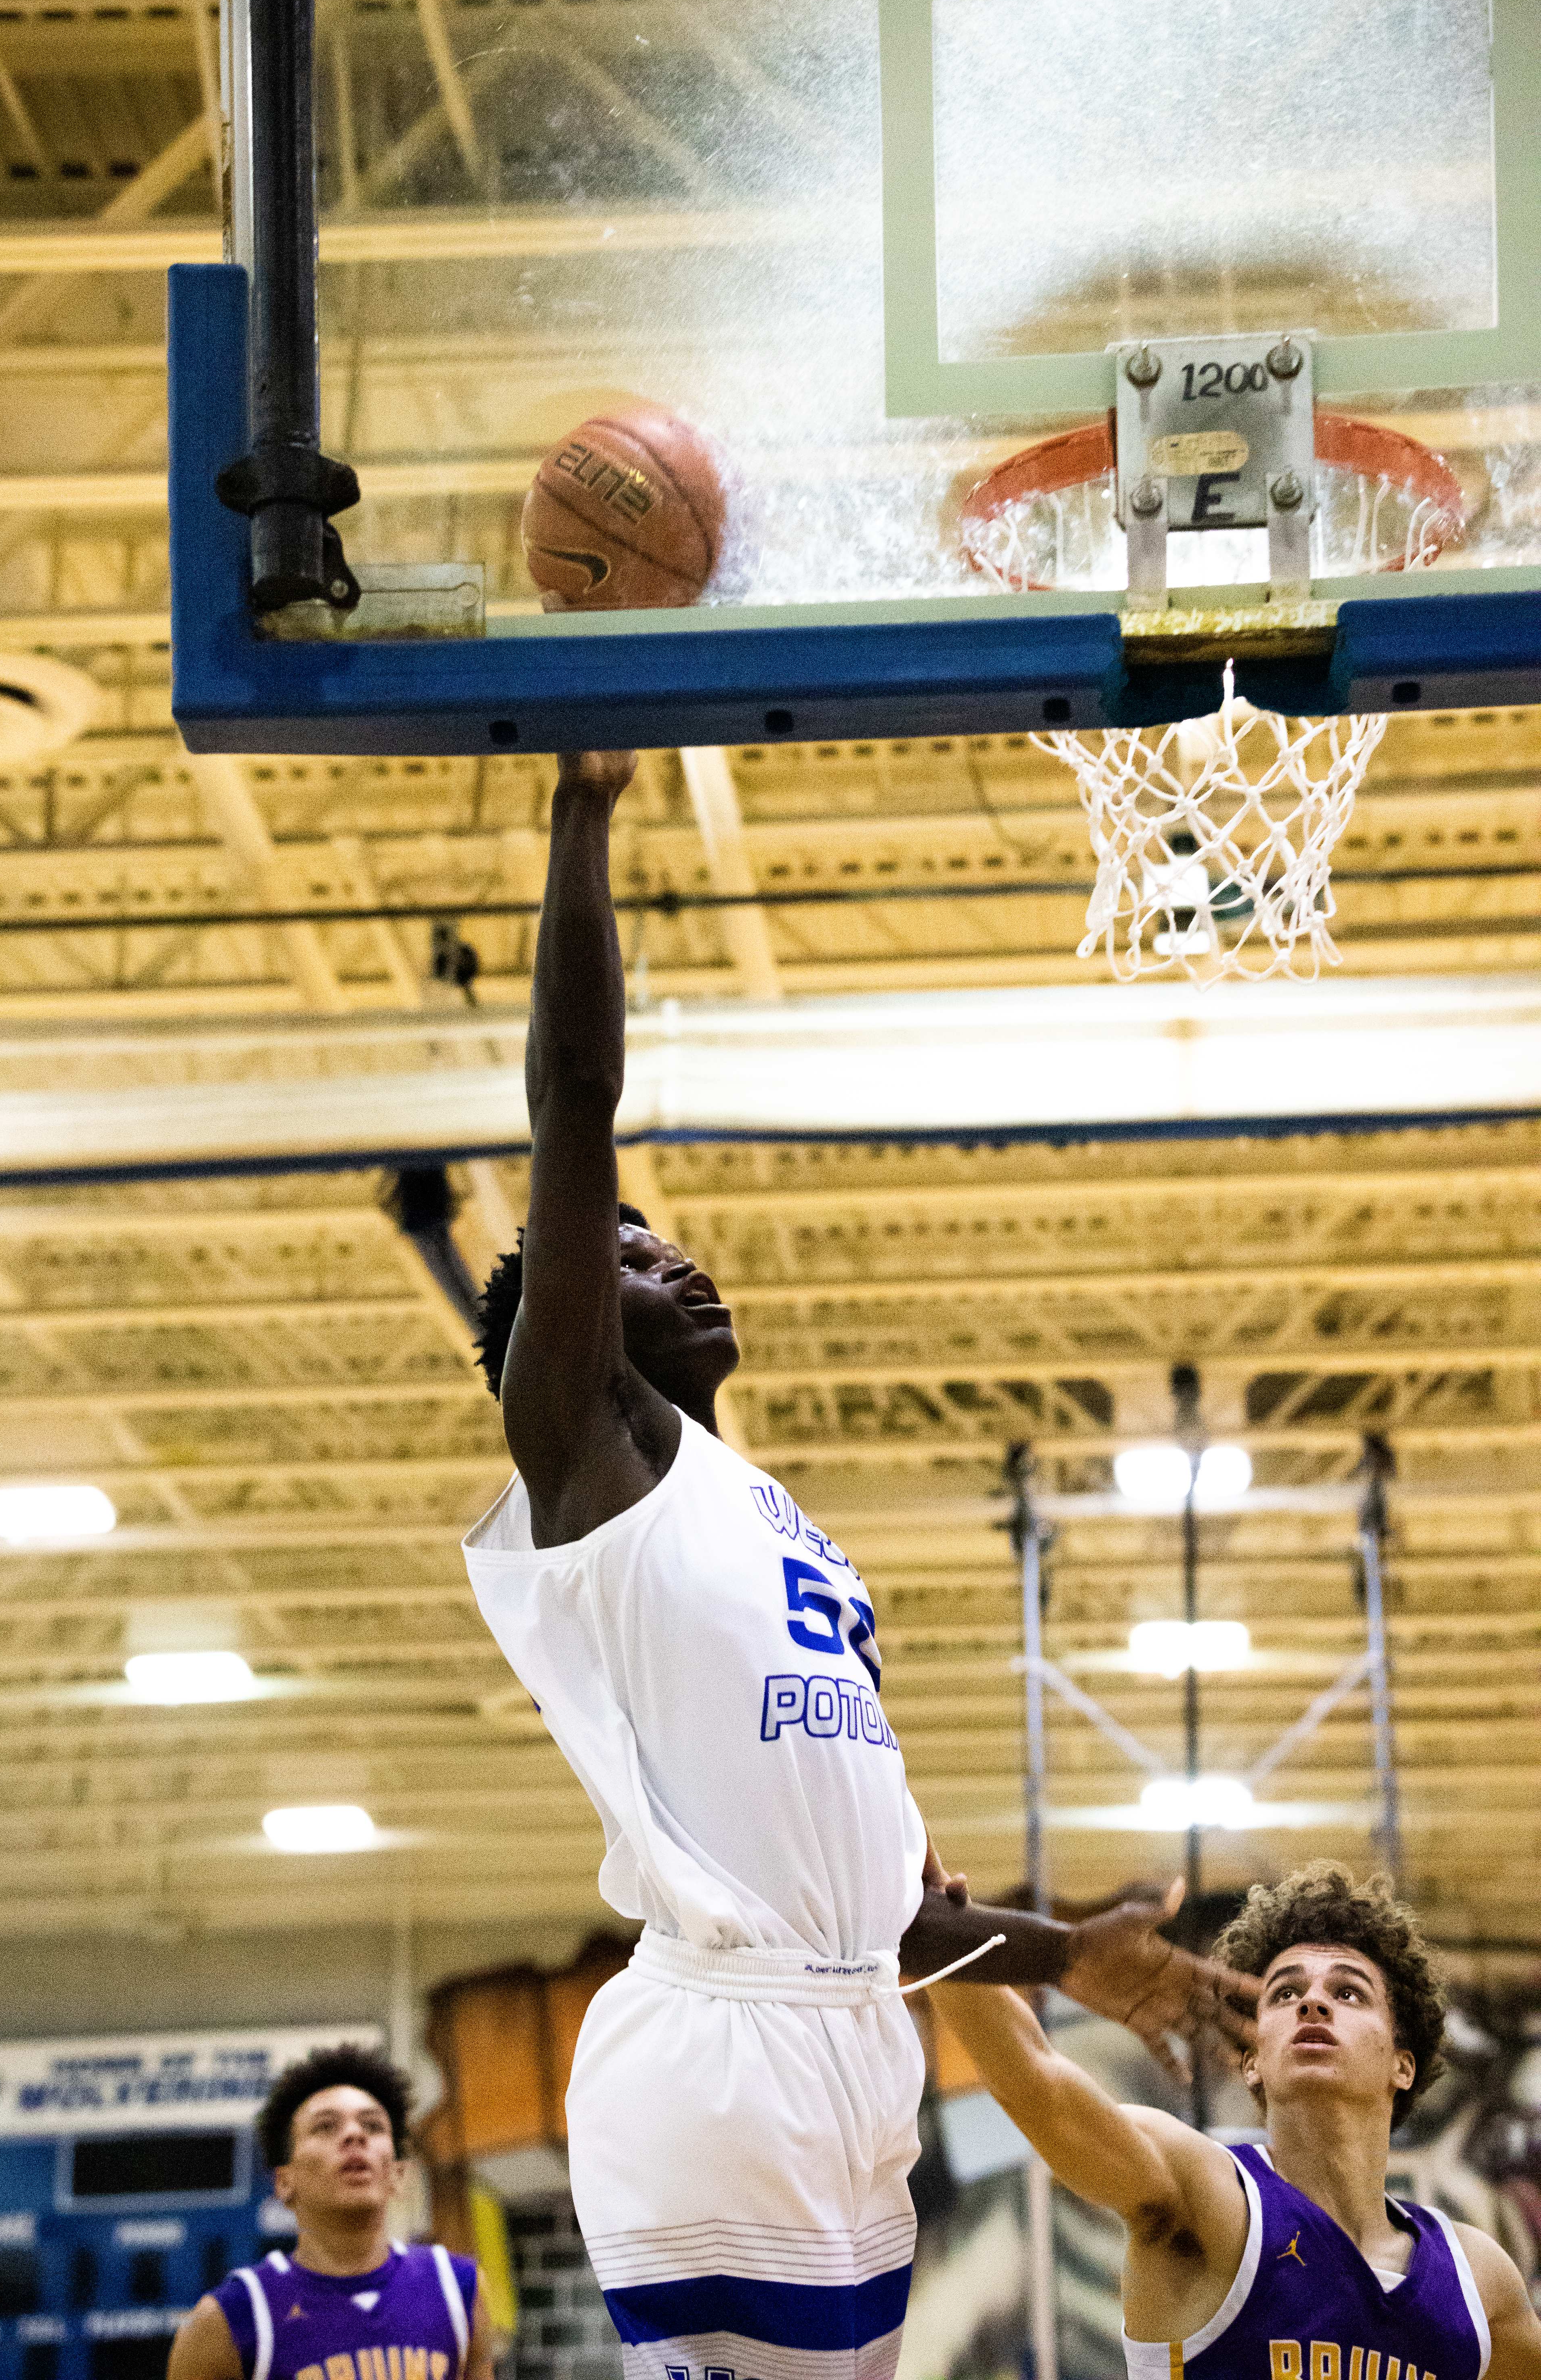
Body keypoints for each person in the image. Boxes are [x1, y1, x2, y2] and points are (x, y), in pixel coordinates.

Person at [463, 745, 1258, 2380]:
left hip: (849, 2047)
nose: (667, 1250)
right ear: (563, 1320)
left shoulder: (762, 1509)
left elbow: (883, 1925)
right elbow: (571, 1104)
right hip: (716, 2055)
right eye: (620, 1249)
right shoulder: (587, 1461)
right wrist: (586, 814)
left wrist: (1076, 1958)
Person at [936, 1860, 1541, 2380]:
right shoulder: (1205, 2195)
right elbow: (1037, 2081)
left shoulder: (1478, 2279)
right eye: (1284, 1993)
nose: (1313, 2002)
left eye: (1349, 1992)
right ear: (1251, 2061)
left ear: (1403, 2065)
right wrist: (929, 1923)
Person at [168, 2044, 491, 2380]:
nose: (355, 2135)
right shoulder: (230, 2318)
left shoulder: (459, 2288)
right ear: (284, 2182)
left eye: (373, 2126)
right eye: (326, 2126)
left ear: (397, 2174)